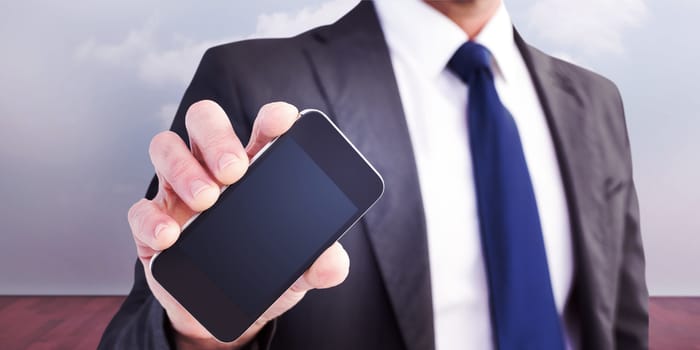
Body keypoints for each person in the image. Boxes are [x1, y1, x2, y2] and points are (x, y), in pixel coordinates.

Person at [99, 0, 648, 349]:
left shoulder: (596, 100)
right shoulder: (251, 78)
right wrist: (198, 337)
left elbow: (620, 318)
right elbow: (137, 333)